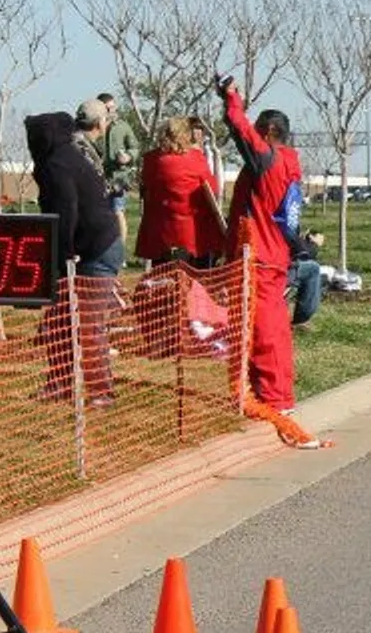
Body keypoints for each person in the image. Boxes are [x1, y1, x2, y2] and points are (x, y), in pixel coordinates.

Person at [217, 75, 304, 413]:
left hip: (259, 257)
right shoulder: (288, 164)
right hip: (272, 255)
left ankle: (273, 397)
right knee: (268, 329)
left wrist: (231, 98)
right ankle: (258, 392)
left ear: (268, 133)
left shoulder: (268, 161)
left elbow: (241, 132)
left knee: (264, 331)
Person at [27, 111, 122, 404]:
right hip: (84, 248)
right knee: (58, 322)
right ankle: (59, 384)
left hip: (97, 249)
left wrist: (64, 253)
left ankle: (101, 391)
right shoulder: (60, 158)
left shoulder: (58, 164)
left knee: (88, 326)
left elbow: (67, 210)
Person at [136, 116, 227, 268]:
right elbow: (213, 190)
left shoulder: (150, 160)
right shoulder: (196, 159)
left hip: (160, 233)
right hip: (192, 234)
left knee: (163, 283)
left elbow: (146, 188)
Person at [97, 92, 139, 240]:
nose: (111, 112)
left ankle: (120, 251)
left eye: (113, 108)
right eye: (107, 109)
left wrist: (128, 156)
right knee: (100, 214)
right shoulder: (94, 128)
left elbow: (135, 148)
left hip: (118, 177)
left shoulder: (123, 126)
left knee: (117, 210)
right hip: (98, 177)